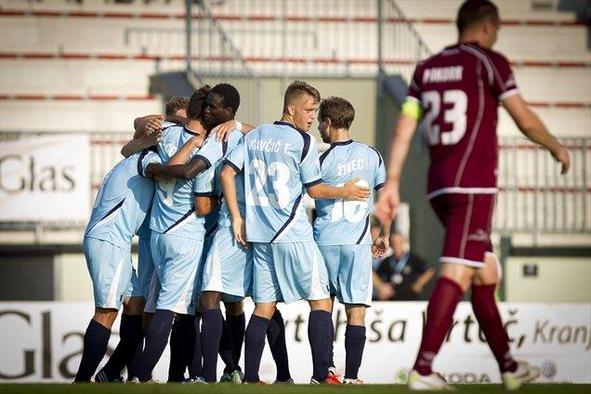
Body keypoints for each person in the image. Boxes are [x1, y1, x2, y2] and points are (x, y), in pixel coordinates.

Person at [374, 0, 570, 390]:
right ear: (486, 27)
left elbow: (404, 128)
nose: (496, 35)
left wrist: (393, 180)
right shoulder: (488, 61)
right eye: (496, 29)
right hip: (473, 186)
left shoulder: (426, 69)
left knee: (486, 271)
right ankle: (424, 370)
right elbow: (524, 118)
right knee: (458, 271)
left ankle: (509, 367)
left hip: (439, 184)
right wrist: (555, 146)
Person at [221, 80, 370, 384]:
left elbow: (226, 172)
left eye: (316, 111)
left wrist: (237, 216)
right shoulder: (302, 141)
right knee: (320, 300)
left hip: (261, 237)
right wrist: (345, 191)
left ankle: (250, 378)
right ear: (291, 109)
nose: (313, 116)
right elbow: (314, 191)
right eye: (309, 110)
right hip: (293, 232)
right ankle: (320, 376)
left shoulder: (257, 135)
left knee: (263, 308)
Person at [130, 86, 217, 383]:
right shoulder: (204, 147)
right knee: (172, 309)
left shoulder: (165, 133)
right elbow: (203, 206)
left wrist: (150, 122)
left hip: (157, 232)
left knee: (162, 307)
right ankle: (142, 375)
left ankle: (177, 376)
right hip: (185, 232)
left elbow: (137, 129)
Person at [313, 96, 390, 384]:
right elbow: (385, 200)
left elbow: (311, 192)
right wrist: (384, 233)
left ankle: (325, 372)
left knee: (323, 308)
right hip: (357, 244)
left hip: (323, 242)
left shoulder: (320, 158)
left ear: (329, 123)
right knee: (355, 311)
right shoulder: (371, 154)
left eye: (321, 122)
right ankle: (352, 377)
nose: (320, 127)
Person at [74, 146, 161, 383]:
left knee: (136, 305)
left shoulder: (131, 159)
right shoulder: (148, 158)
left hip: (113, 240)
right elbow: (158, 170)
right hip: (109, 238)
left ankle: (113, 372)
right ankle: (81, 382)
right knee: (107, 311)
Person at [374, 232, 435, 301]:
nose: (396, 245)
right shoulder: (387, 261)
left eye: (398, 243)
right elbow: (375, 274)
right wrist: (381, 287)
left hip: (410, 299)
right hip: (391, 300)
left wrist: (420, 282)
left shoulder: (413, 259)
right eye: (394, 243)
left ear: (404, 243)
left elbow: (430, 270)